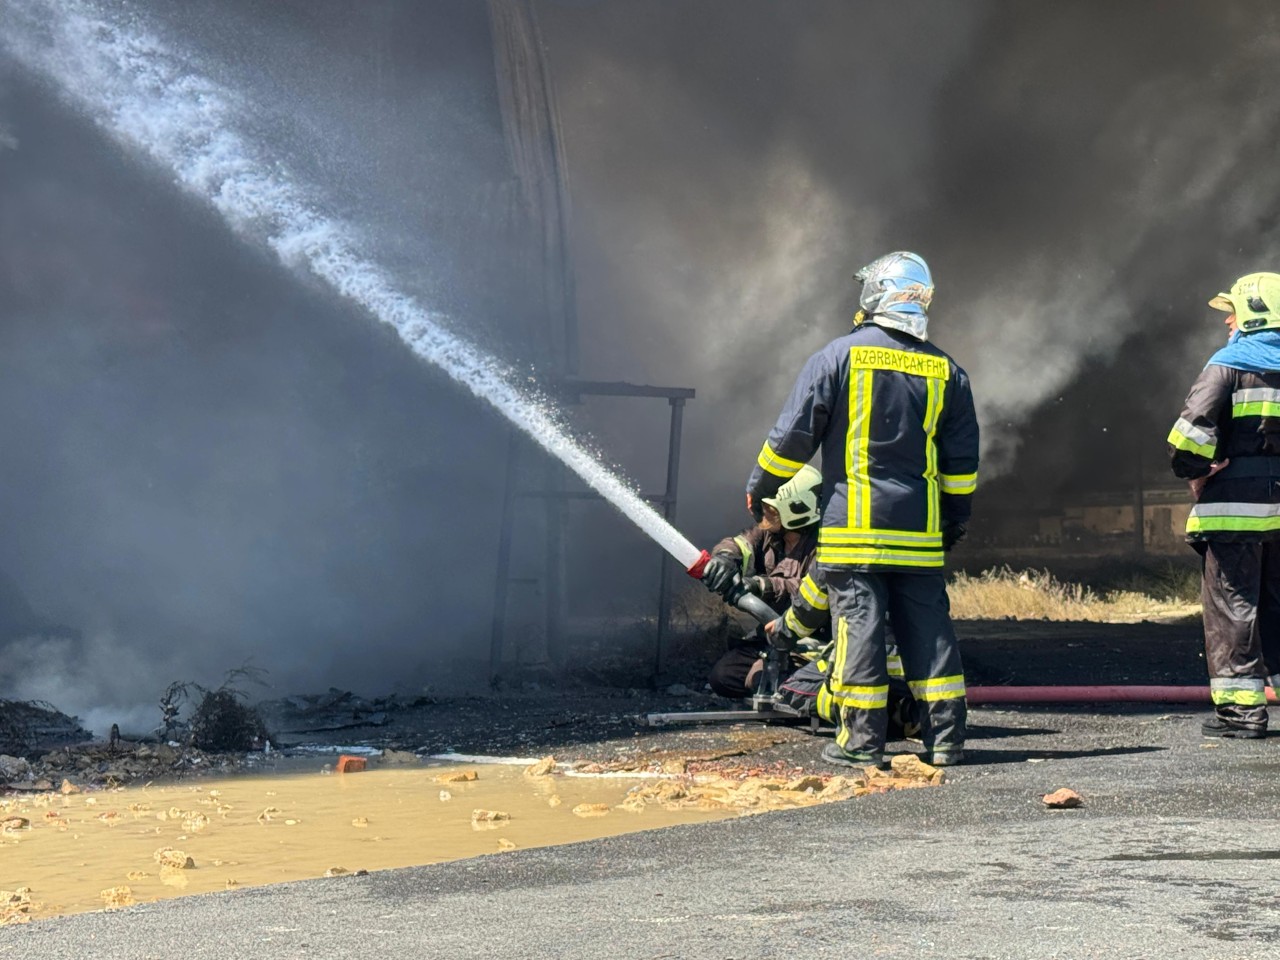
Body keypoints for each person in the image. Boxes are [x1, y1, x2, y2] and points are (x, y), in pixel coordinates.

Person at [744, 251, 980, 769]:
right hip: (919, 531)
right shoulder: (947, 371)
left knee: (861, 629)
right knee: (930, 630)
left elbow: (792, 438)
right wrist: (954, 518)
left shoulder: (838, 357)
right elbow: (961, 465)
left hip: (855, 529)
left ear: (877, 295)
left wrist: (762, 485)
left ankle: (862, 743)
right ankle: (945, 742)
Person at [700, 465, 919, 737]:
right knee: (724, 675)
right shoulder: (769, 533)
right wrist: (724, 559)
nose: (763, 515)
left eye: (771, 510)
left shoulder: (827, 540)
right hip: (783, 636)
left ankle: (873, 711)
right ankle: (793, 685)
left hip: (823, 640)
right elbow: (740, 544)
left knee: (784, 684)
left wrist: (761, 585)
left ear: (796, 508)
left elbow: (809, 592)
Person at [1168, 272, 1280, 739]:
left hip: (1234, 510)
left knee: (1234, 607)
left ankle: (1241, 713)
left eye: (1232, 311)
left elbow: (1187, 441)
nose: (1227, 321)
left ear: (1253, 313)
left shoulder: (1228, 364)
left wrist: (1198, 469)